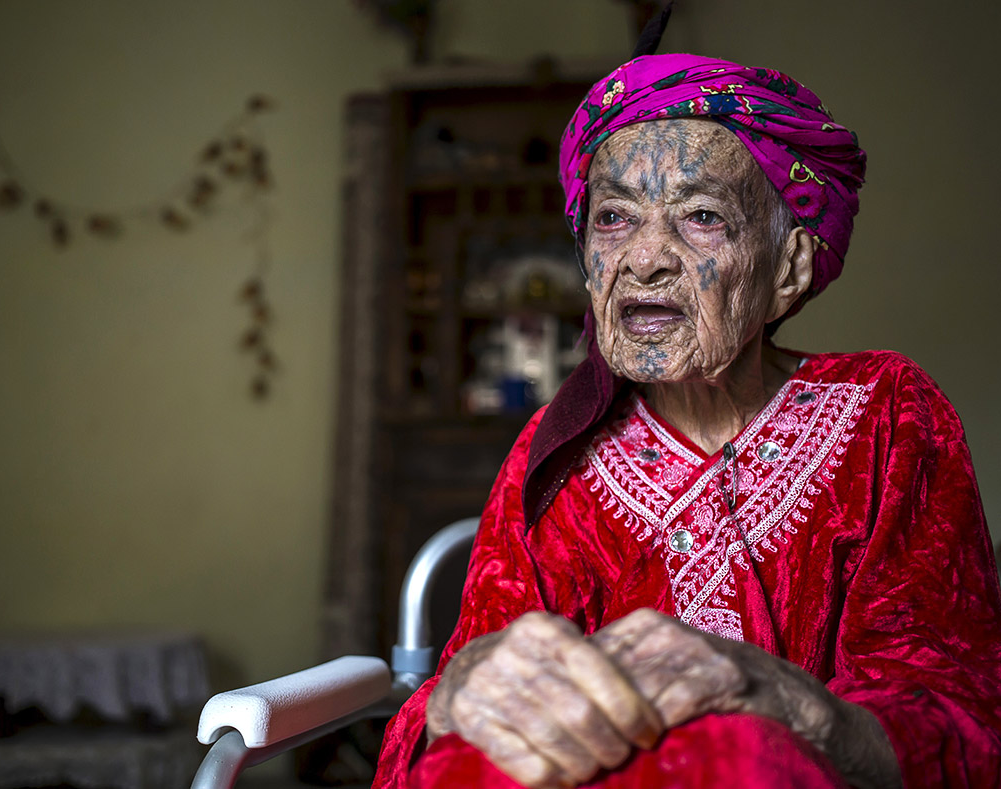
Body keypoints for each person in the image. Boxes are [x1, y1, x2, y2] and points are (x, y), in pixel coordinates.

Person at [373, 53, 1001, 789]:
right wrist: (466, 685)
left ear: (790, 266)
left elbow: (958, 726)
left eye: (701, 216)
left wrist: (779, 698)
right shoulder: (556, 452)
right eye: (613, 218)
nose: (643, 259)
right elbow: (431, 729)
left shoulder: (887, 413)